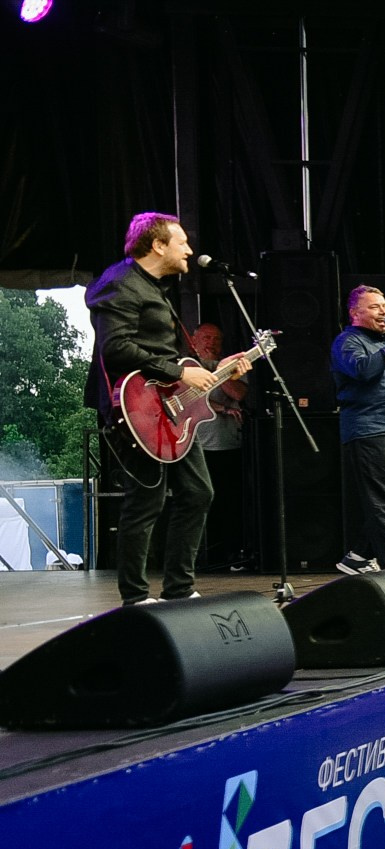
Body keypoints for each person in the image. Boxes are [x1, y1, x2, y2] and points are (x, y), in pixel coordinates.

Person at [88, 212, 247, 605]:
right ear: (158, 245)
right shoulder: (120, 284)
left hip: (170, 409)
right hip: (137, 411)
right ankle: (135, 597)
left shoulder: (155, 288)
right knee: (146, 502)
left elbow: (169, 357)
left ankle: (179, 589)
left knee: (198, 492)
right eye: (182, 242)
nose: (189, 250)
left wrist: (219, 367)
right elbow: (116, 347)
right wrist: (178, 371)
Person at [330, 284, 385, 575]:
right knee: (383, 502)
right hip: (370, 430)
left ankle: (358, 557)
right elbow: (362, 370)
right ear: (355, 313)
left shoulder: (381, 345)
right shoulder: (348, 341)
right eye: (375, 307)